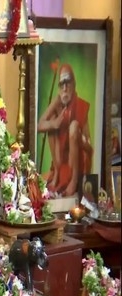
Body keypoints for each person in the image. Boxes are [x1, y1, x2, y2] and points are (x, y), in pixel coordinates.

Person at [38, 63, 93, 197]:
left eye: (68, 83)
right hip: (60, 160)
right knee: (51, 123)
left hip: (74, 160)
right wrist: (55, 124)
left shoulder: (80, 105)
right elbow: (39, 125)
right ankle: (56, 172)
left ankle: (73, 180)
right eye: (62, 84)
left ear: (74, 85)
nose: (65, 88)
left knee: (74, 125)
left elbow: (89, 145)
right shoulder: (58, 101)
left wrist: (78, 137)